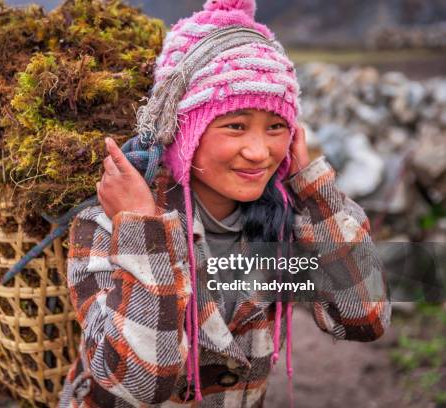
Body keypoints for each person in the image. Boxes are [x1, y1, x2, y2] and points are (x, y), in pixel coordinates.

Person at [59, 0, 391, 406]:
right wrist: (142, 229)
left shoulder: (284, 220)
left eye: (276, 127)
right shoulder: (107, 227)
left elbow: (365, 319)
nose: (259, 151)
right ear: (183, 131)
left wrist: (315, 192)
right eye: (235, 125)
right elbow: (142, 383)